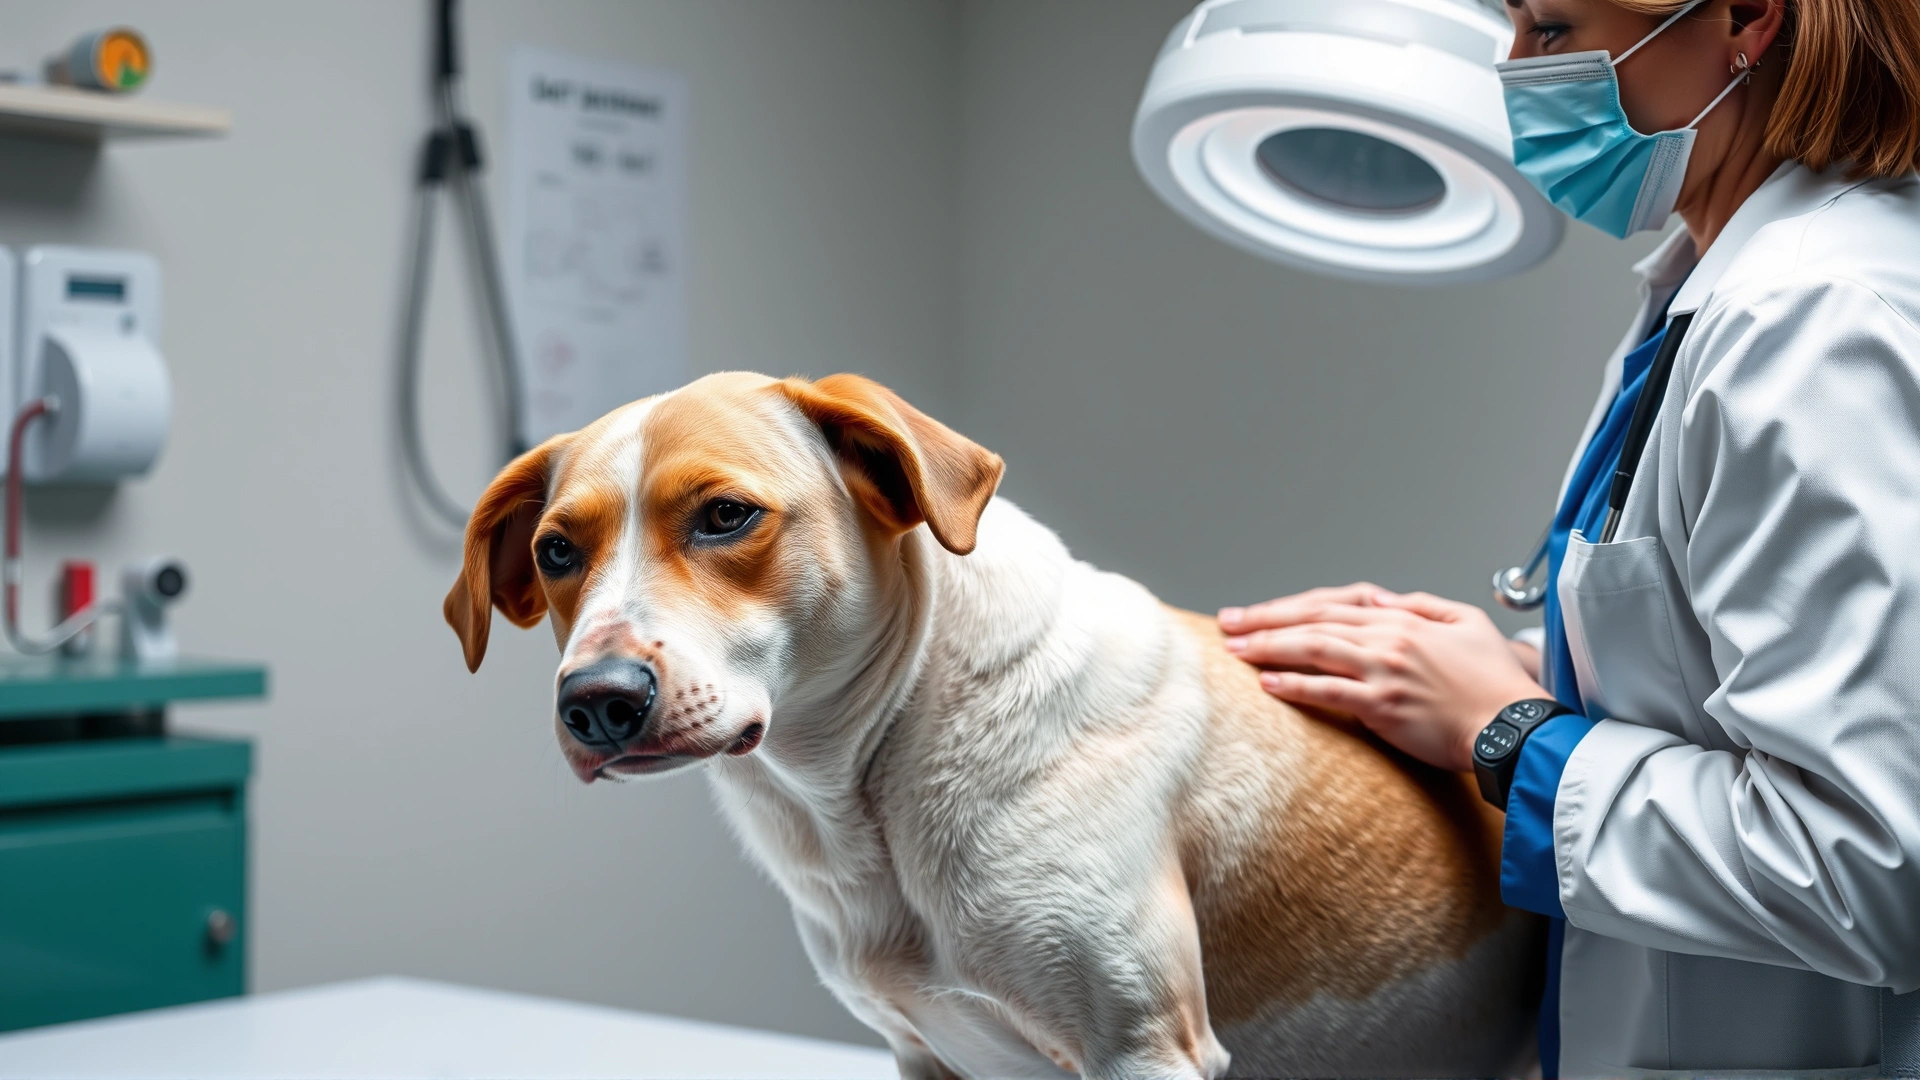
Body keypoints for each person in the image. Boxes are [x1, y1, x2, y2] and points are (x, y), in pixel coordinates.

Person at [1217, 0, 1920, 1075]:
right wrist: (1516, 672)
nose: (1511, 72)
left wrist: (1508, 736)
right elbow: (1740, 671)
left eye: (1549, 28)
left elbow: (1866, 866)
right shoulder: (1713, 285)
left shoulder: (1814, 323)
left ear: (1747, 18)